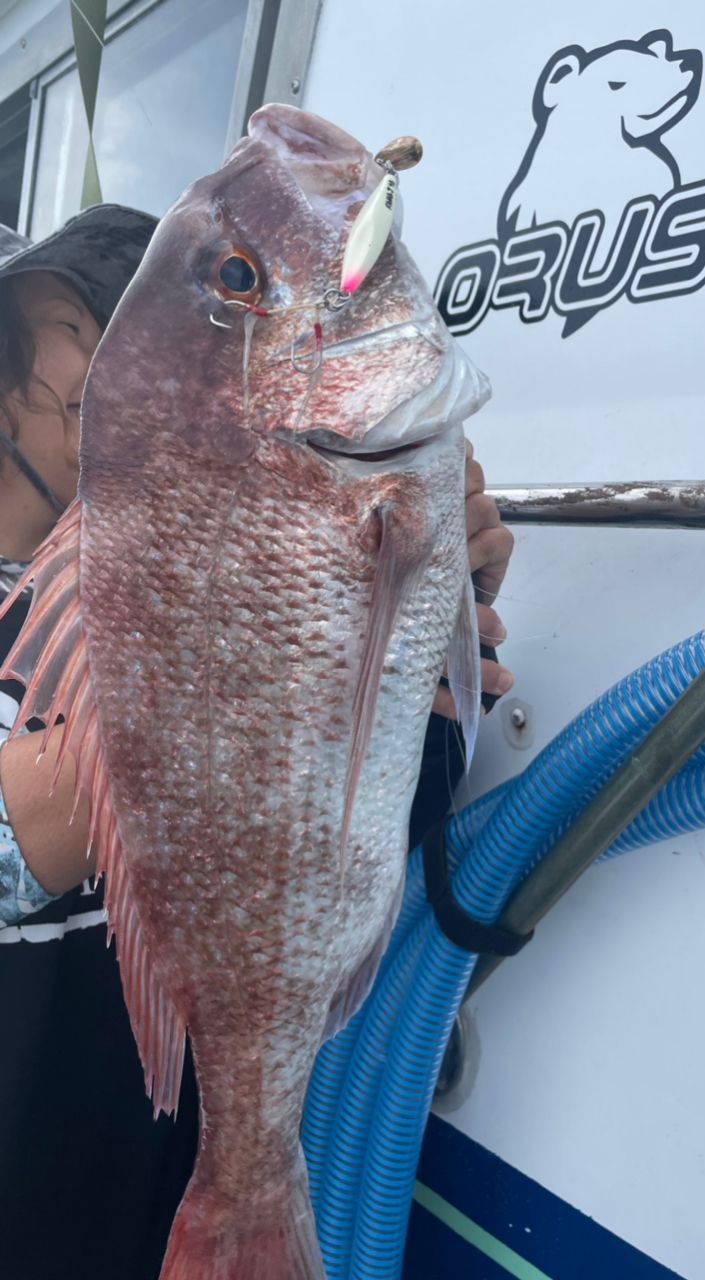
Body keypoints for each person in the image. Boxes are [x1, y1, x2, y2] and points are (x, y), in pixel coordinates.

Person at [0, 205, 514, 1278]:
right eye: (51, 330)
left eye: (90, 331)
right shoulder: (137, 597)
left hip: (183, 1190)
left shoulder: (215, 562)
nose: (73, 369)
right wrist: (184, 721)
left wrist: (411, 660)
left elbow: (359, 842)